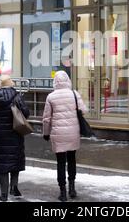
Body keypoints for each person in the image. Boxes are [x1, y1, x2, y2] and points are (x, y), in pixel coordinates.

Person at [42, 71, 87, 202]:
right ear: (68, 80)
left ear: (55, 81)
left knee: (60, 162)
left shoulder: (51, 97)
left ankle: (62, 192)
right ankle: (72, 188)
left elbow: (46, 119)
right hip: (73, 132)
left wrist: (46, 133)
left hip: (58, 134)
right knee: (72, 160)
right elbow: (83, 110)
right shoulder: (74, 94)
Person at [0, 75, 30, 202]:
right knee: (15, 160)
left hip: (0, 134)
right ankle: (14, 187)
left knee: (3, 163)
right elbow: (26, 113)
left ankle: (4, 194)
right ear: (11, 84)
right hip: (15, 133)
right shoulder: (17, 96)